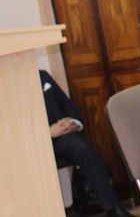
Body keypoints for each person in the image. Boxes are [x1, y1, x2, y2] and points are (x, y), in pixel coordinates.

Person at [40, 70, 132, 217]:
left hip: (64, 136)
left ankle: (113, 209)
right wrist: (47, 132)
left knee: (81, 148)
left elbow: (67, 104)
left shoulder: (42, 75)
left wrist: (73, 122)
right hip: (38, 142)